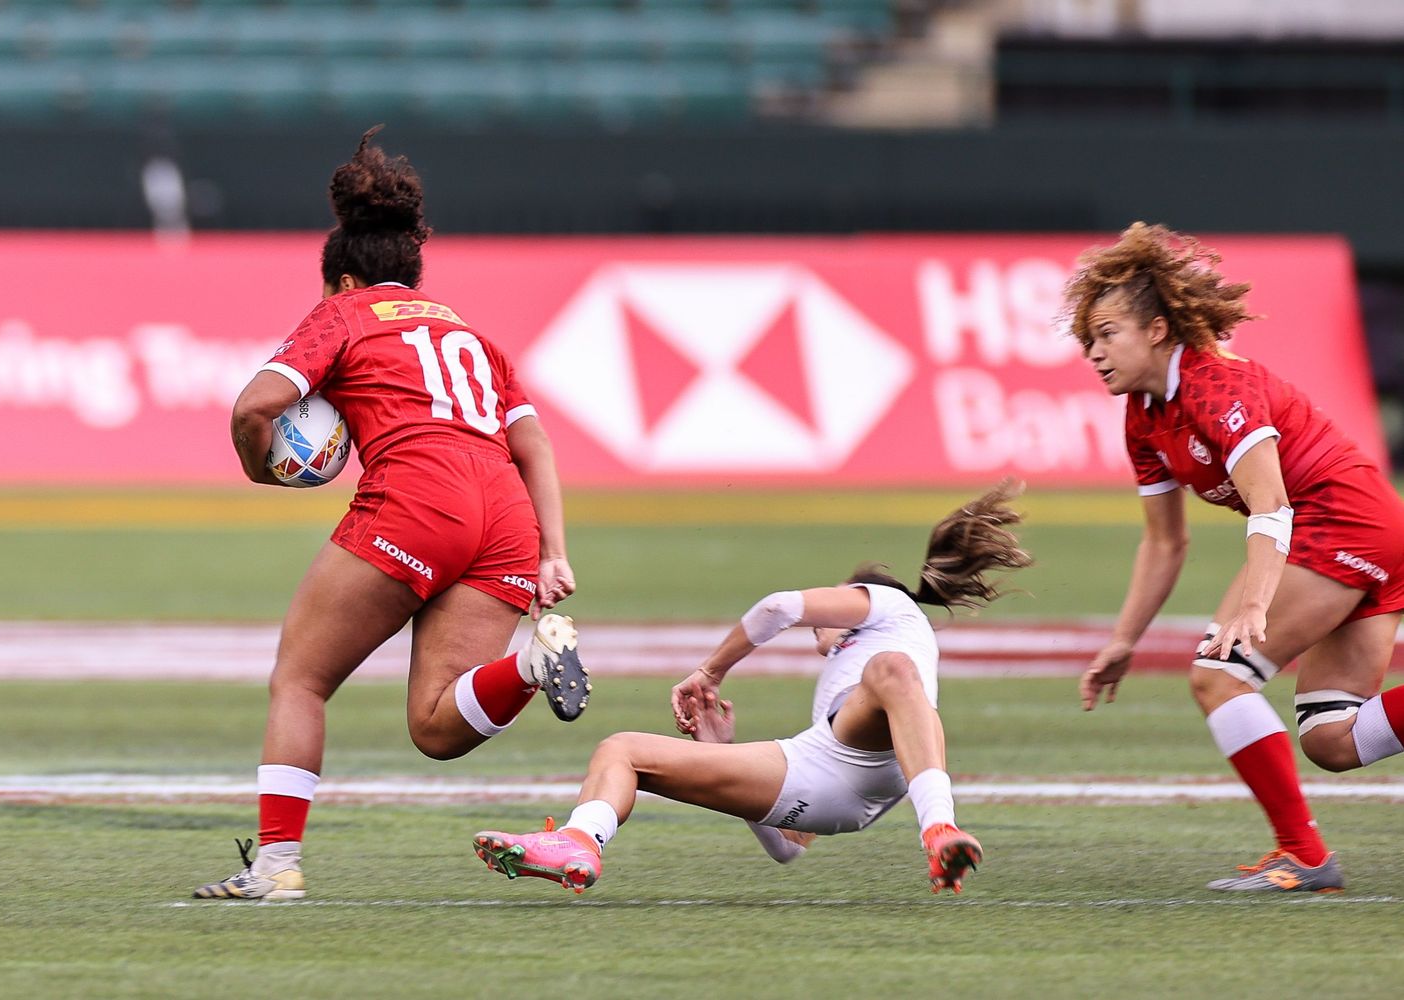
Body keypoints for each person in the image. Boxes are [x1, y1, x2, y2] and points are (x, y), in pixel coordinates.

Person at [193, 128, 588, 901]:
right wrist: (553, 553)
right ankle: (533, 666)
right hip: (506, 514)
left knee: (301, 680)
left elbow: (255, 407)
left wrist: (264, 470)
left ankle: (275, 868)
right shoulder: (473, 336)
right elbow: (534, 442)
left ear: (342, 279)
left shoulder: (342, 316)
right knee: (437, 726)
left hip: (415, 498)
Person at [469, 483, 1032, 895]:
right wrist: (724, 753)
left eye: (833, 606)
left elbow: (780, 606)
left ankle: (939, 828)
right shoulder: (841, 687)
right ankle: (579, 841)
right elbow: (788, 849)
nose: (820, 622)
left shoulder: (891, 610)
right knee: (620, 751)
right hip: (843, 780)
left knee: (891, 671)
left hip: (867, 752)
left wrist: (710, 671)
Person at [1072, 222, 1404, 893]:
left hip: (1343, 523)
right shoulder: (1143, 415)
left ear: (1158, 329)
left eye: (1108, 334)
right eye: (1088, 339)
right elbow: (1166, 542)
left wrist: (1253, 605)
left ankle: (1304, 856)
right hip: (1370, 531)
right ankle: (1306, 857)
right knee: (1333, 741)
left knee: (1219, 675)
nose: (1094, 352)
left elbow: (1272, 504)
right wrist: (1122, 640)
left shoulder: (1214, 387)